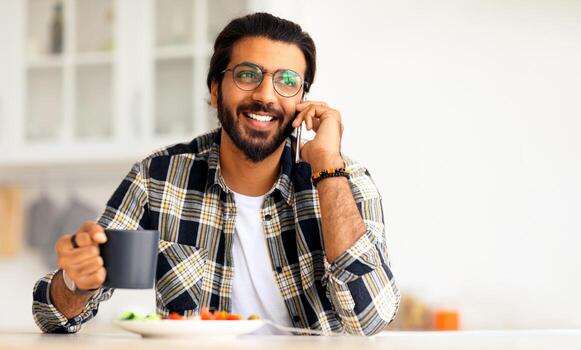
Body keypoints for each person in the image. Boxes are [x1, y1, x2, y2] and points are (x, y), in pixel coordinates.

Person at [32, 12, 400, 335]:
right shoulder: (156, 179)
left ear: (303, 99)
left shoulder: (340, 177)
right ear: (214, 90)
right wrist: (75, 283)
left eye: (287, 81)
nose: (266, 96)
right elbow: (53, 317)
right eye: (247, 75)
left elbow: (370, 319)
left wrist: (328, 169)